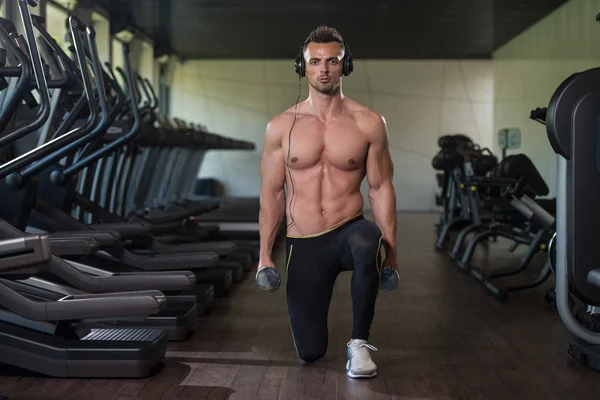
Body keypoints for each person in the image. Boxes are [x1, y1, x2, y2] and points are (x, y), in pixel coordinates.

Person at [258, 25, 398, 379]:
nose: (324, 69)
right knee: (310, 352)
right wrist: (264, 255)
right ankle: (320, 340)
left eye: (332, 61)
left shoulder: (369, 123)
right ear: (302, 67)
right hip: (304, 240)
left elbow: (380, 188)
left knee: (367, 242)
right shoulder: (280, 126)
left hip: (349, 228)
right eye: (315, 61)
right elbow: (272, 192)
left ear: (344, 65)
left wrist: (391, 252)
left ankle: (360, 345)